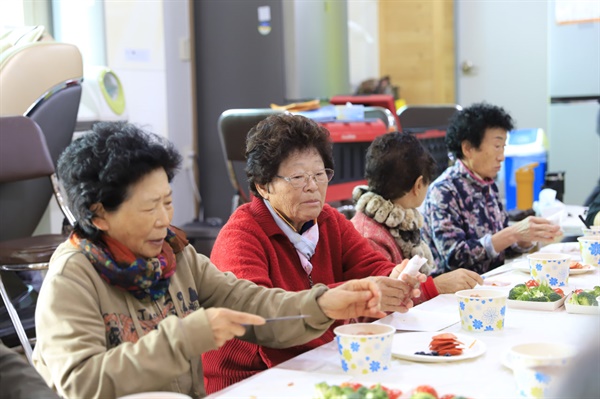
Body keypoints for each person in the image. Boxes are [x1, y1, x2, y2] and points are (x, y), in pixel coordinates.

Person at [31, 121, 387, 399]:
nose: (163, 219)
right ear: (98, 215)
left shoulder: (176, 256)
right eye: (148, 207)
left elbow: (253, 303)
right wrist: (185, 337)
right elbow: (79, 384)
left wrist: (322, 303)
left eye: (167, 202)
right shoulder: (72, 278)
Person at [203, 114, 426, 393]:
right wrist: (338, 297)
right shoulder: (241, 235)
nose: (313, 186)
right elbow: (258, 320)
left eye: (320, 175)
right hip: (253, 382)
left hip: (317, 364)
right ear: (263, 186)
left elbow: (372, 267)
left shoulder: (328, 221)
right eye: (298, 177)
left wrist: (395, 279)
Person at [421, 103, 562, 275]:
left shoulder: (488, 184)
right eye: (496, 147)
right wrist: (513, 233)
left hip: (492, 283)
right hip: (456, 294)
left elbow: (498, 248)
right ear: (468, 149)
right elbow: (454, 257)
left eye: (503, 148)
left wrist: (525, 239)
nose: (502, 157)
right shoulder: (443, 190)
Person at [351, 132, 483, 304]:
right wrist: (436, 285)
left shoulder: (400, 219)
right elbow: (382, 300)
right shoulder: (369, 236)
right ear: (418, 185)